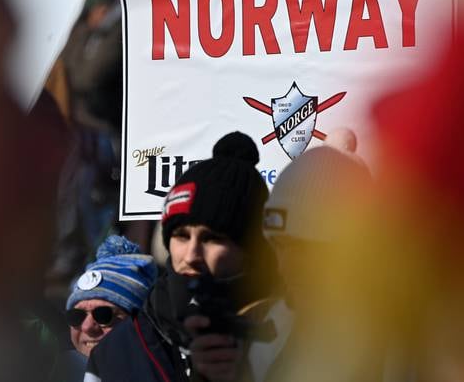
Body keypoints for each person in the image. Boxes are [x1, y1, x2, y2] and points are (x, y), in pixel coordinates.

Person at [86, 132, 279, 382]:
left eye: (212, 238)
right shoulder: (119, 350)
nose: (192, 255)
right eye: (181, 236)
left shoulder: (292, 336)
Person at [257, 146, 398, 382]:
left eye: (302, 248)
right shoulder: (269, 330)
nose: (285, 267)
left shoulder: (409, 348)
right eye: (279, 246)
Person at [59, 235, 156, 379]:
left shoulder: (162, 372)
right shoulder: (52, 371)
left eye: (103, 315)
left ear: (139, 320)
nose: (87, 327)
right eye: (76, 316)